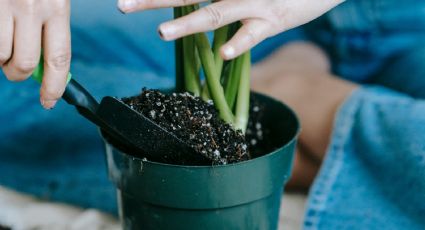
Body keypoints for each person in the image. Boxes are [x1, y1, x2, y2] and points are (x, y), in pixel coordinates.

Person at [1, 0, 424, 228]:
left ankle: (310, 102)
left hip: (409, 27)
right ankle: (319, 148)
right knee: (17, 47)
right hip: (244, 16)